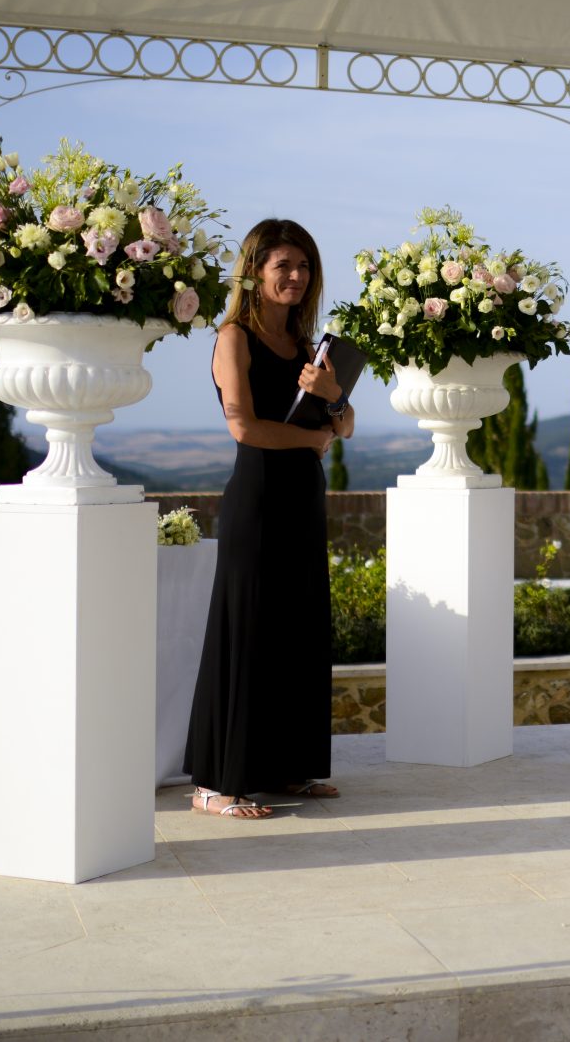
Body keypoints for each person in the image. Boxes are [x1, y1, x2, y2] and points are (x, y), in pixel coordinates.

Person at [186, 218, 354, 819]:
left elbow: (345, 424)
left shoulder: (310, 346)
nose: (296, 276)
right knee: (247, 630)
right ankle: (214, 783)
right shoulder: (234, 337)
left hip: (304, 497)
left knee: (298, 629)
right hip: (258, 497)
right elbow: (243, 427)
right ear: (255, 270)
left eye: (304, 266)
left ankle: (286, 768)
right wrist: (312, 442)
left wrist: (332, 394)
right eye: (283, 265)